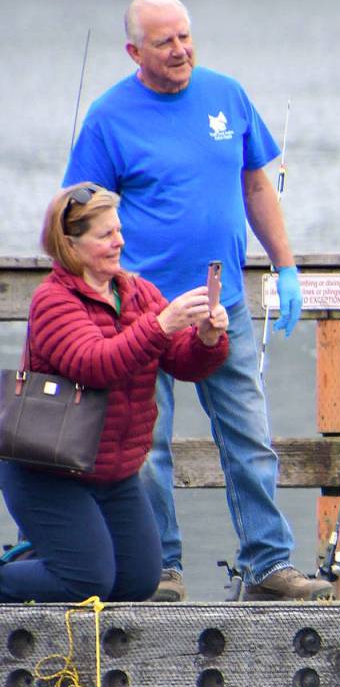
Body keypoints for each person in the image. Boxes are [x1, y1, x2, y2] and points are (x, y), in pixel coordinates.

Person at [63, 0, 330, 601]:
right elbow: (77, 214)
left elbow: (256, 184)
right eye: (164, 42)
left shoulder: (226, 94)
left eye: (185, 36)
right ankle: (159, 569)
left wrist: (286, 266)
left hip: (221, 301)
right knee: (145, 447)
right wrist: (95, 291)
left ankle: (268, 564)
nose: (180, 50)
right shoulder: (109, 117)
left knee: (250, 436)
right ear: (135, 51)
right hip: (138, 308)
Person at [0, 184, 228, 603]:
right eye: (105, 235)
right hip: (47, 470)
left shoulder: (137, 292)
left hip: (113, 471)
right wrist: (161, 325)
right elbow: (95, 364)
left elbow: (183, 363)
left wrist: (208, 339)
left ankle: (52, 555)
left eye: (119, 231)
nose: (119, 241)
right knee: (86, 581)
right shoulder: (53, 301)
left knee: (138, 581)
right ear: (70, 244)